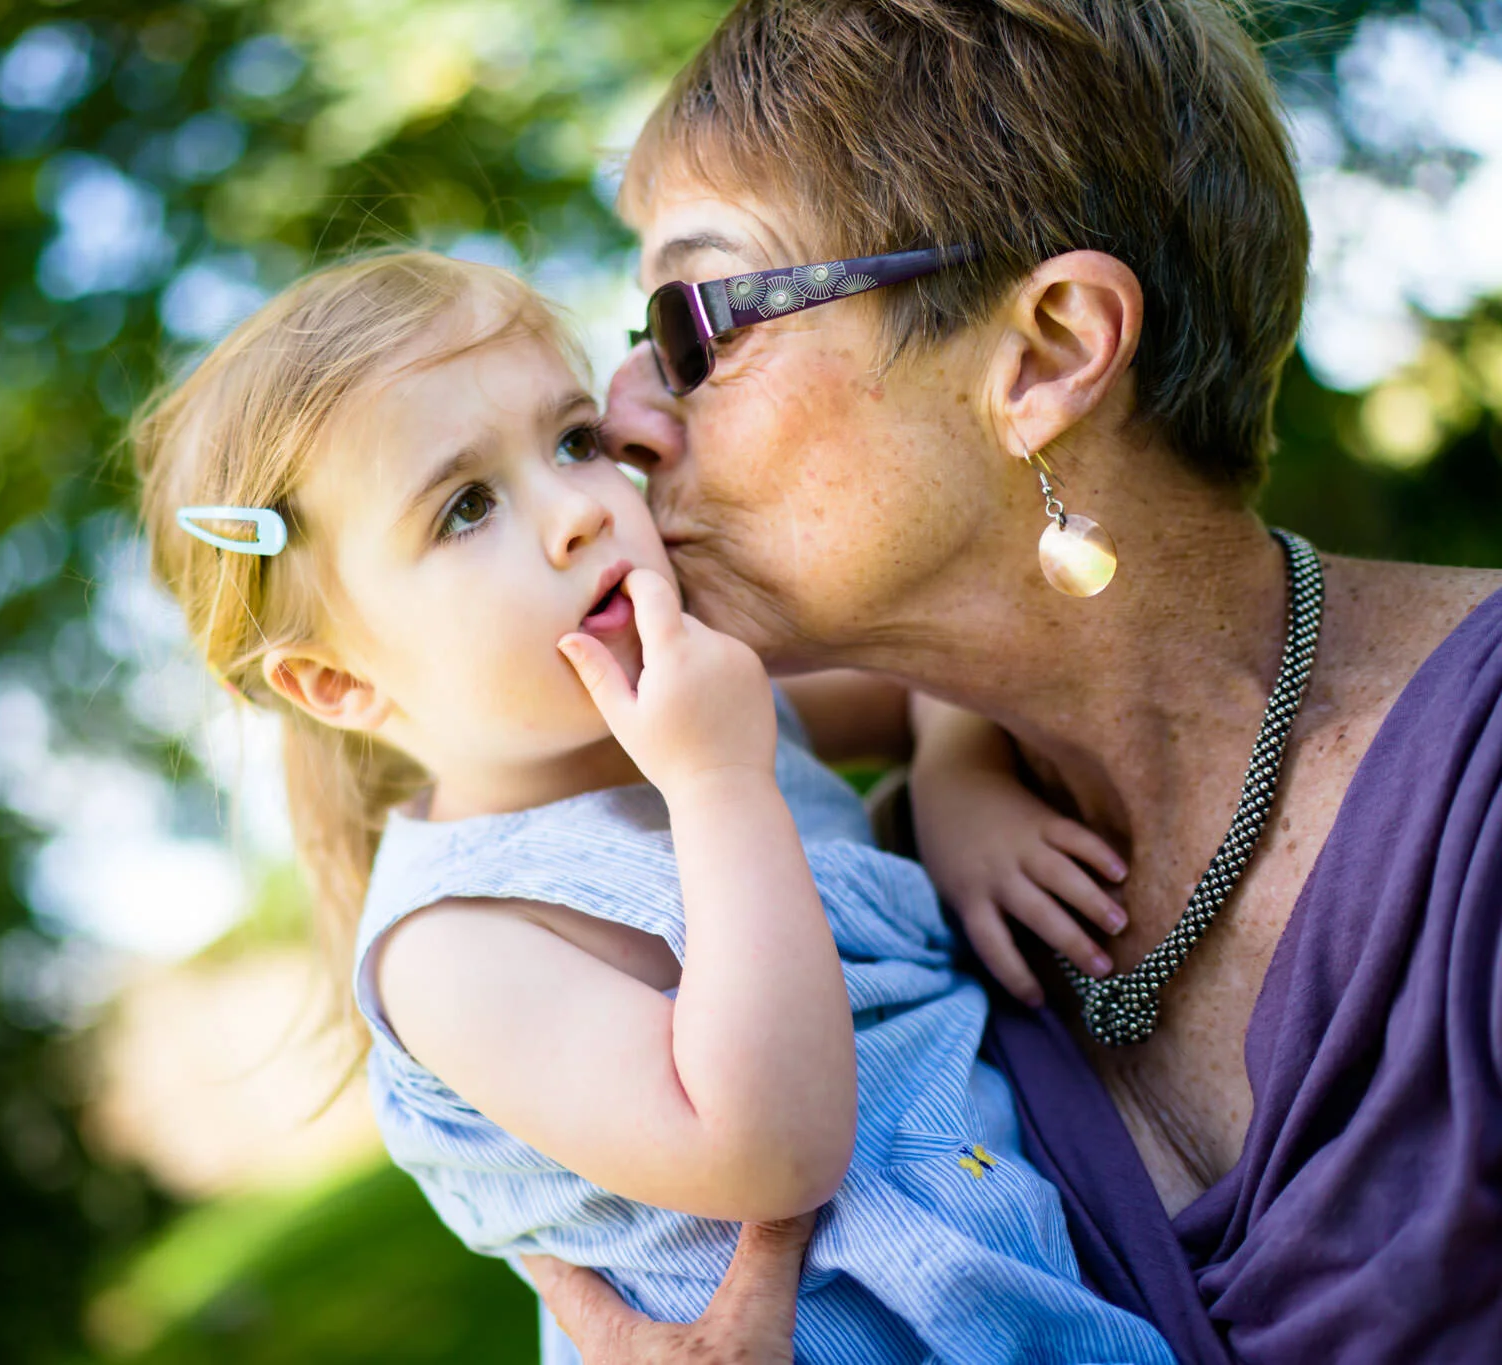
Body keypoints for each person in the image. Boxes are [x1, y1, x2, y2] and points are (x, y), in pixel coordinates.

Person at [525, 0, 1502, 1361]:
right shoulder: (841, 917)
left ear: (1045, 355)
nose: (619, 416)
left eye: (695, 323)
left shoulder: (1476, 798)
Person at [134, 250, 1172, 1362]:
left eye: (572, 440)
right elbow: (770, 1153)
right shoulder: (456, 941)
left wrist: (957, 783)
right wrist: (717, 786)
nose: (579, 511)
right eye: (466, 506)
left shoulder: (706, 693)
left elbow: (938, 680)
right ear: (337, 683)